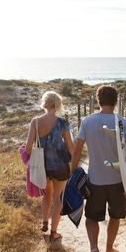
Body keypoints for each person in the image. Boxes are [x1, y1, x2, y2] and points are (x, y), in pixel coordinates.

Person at [71, 85, 126, 252]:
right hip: (119, 181)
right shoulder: (123, 123)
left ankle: (94, 248)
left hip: (95, 181)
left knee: (92, 217)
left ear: (98, 100)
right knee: (115, 216)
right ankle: (109, 250)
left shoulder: (88, 121)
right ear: (116, 101)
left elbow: (77, 149)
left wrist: (72, 172)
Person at [26, 91, 74, 242]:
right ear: (58, 104)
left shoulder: (36, 122)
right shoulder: (62, 122)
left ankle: (44, 223)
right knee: (58, 199)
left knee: (46, 196)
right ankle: (54, 232)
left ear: (44, 103)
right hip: (60, 166)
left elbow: (28, 148)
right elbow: (71, 148)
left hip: (42, 167)